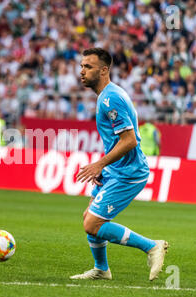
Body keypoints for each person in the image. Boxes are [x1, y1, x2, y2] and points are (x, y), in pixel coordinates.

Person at [70, 48, 168, 281]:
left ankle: (152, 246)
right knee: (89, 218)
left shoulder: (110, 98)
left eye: (88, 67)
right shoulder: (106, 95)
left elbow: (130, 140)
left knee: (93, 223)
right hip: (115, 169)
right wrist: (104, 167)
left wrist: (98, 164)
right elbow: (116, 139)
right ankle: (102, 269)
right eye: (82, 66)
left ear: (104, 70)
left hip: (129, 172)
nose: (82, 72)